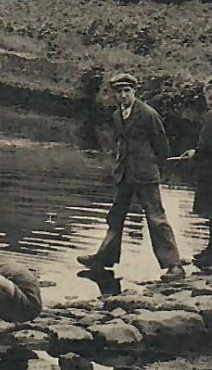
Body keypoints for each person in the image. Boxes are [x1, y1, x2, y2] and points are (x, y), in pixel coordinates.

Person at [77, 72, 189, 281]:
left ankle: (174, 265)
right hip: (124, 174)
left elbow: (161, 145)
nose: (122, 96)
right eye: (119, 92)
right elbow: (120, 142)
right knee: (115, 216)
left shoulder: (148, 114)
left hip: (145, 175)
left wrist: (157, 168)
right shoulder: (117, 116)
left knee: (156, 218)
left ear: (134, 92)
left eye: (126, 91)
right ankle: (103, 259)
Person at [171, 76, 212, 275]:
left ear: (210, 94)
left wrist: (193, 154)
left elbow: (205, 146)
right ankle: (211, 253)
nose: (206, 100)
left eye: (207, 96)